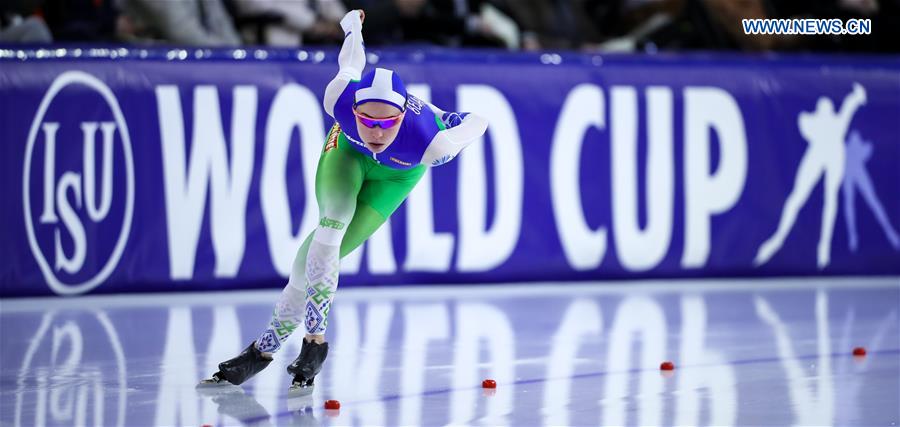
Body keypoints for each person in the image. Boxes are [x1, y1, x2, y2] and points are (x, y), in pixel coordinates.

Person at [198, 9, 489, 394]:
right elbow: (351, 61)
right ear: (353, 110)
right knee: (328, 230)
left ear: (403, 116)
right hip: (347, 156)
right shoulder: (337, 98)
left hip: (396, 177)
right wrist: (352, 25)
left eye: (388, 123)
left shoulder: (432, 144)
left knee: (305, 265)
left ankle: (261, 352)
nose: (377, 133)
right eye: (367, 120)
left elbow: (479, 121)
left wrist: (454, 119)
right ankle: (314, 342)